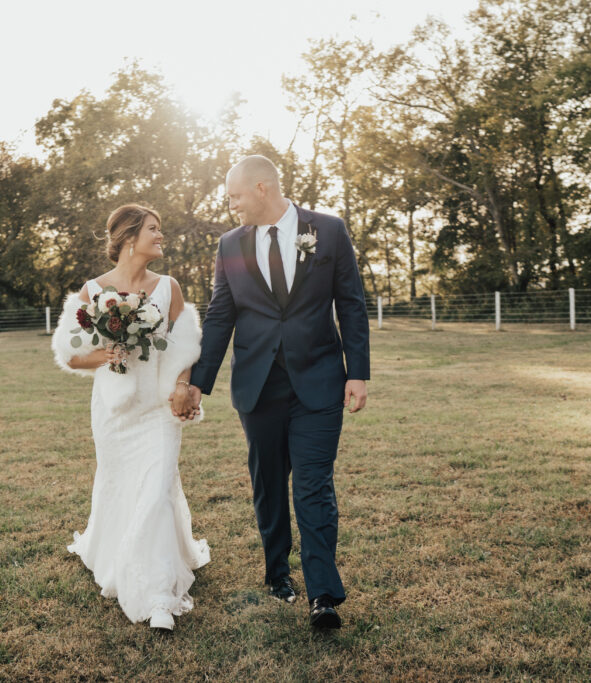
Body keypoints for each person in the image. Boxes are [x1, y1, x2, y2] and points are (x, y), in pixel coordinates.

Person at [178, 156, 370, 630]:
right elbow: (221, 316)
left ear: (262, 188)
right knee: (268, 485)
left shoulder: (328, 230)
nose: (232, 206)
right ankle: (276, 572)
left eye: (235, 197)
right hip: (258, 386)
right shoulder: (230, 245)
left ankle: (322, 593)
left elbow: (350, 302)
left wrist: (357, 372)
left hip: (320, 382)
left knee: (313, 485)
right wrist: (198, 382)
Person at [51, 204, 209, 632]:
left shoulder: (168, 287)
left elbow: (185, 344)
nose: (162, 236)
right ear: (127, 238)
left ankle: (158, 595)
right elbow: (70, 352)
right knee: (122, 485)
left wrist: (181, 385)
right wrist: (103, 354)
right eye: (154, 230)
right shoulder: (92, 291)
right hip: (115, 409)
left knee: (157, 489)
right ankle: (118, 552)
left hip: (157, 408)